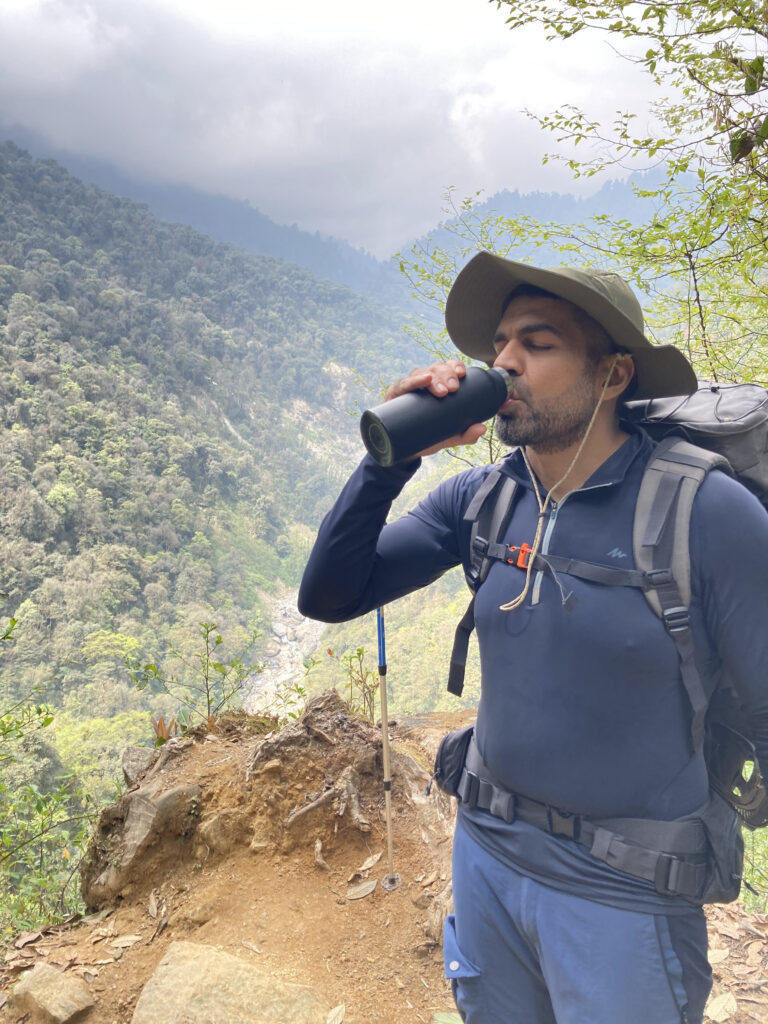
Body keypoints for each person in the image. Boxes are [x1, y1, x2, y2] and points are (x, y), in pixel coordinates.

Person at [298, 251, 768, 1024]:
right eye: (501, 346)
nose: (505, 363)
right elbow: (331, 594)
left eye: (538, 344)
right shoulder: (482, 498)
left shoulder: (704, 514)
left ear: (613, 375)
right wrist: (390, 463)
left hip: (624, 891)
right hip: (487, 856)